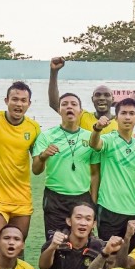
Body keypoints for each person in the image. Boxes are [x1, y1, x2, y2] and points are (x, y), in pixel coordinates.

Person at [0, 81, 41, 247]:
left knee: (17, 247)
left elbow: (37, 167)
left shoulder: (33, 127)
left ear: (29, 104)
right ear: (6, 100)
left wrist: (43, 157)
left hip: (22, 198)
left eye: (23, 100)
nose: (18, 104)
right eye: (15, 99)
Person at [32, 91, 96, 239]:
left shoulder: (90, 137)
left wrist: (93, 201)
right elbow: (35, 170)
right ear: (59, 110)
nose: (69, 107)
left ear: (80, 111)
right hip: (55, 198)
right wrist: (43, 156)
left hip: (82, 198)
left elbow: (95, 173)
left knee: (81, 242)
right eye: (64, 104)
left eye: (74, 104)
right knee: (55, 243)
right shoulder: (47, 136)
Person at [89, 97, 135, 247]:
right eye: (123, 113)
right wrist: (97, 128)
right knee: (108, 257)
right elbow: (94, 144)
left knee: (128, 257)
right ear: (116, 117)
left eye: (131, 113)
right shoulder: (108, 140)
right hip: (109, 209)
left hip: (132, 212)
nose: (127, 117)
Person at [47, 57, 117, 135]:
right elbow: (54, 104)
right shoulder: (83, 116)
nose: (101, 98)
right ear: (92, 99)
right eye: (98, 95)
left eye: (106, 95)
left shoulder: (120, 121)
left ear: (113, 99)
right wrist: (54, 72)